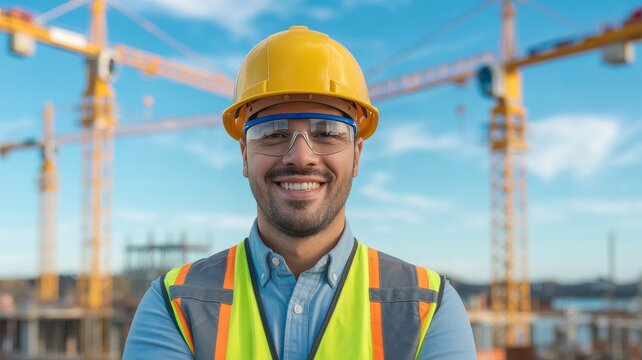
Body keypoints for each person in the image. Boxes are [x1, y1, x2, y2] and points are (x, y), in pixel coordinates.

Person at [123, 26, 476, 360]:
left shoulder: (428, 306)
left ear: (357, 155)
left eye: (328, 131)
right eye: (273, 132)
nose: (301, 156)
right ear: (245, 155)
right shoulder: (175, 303)